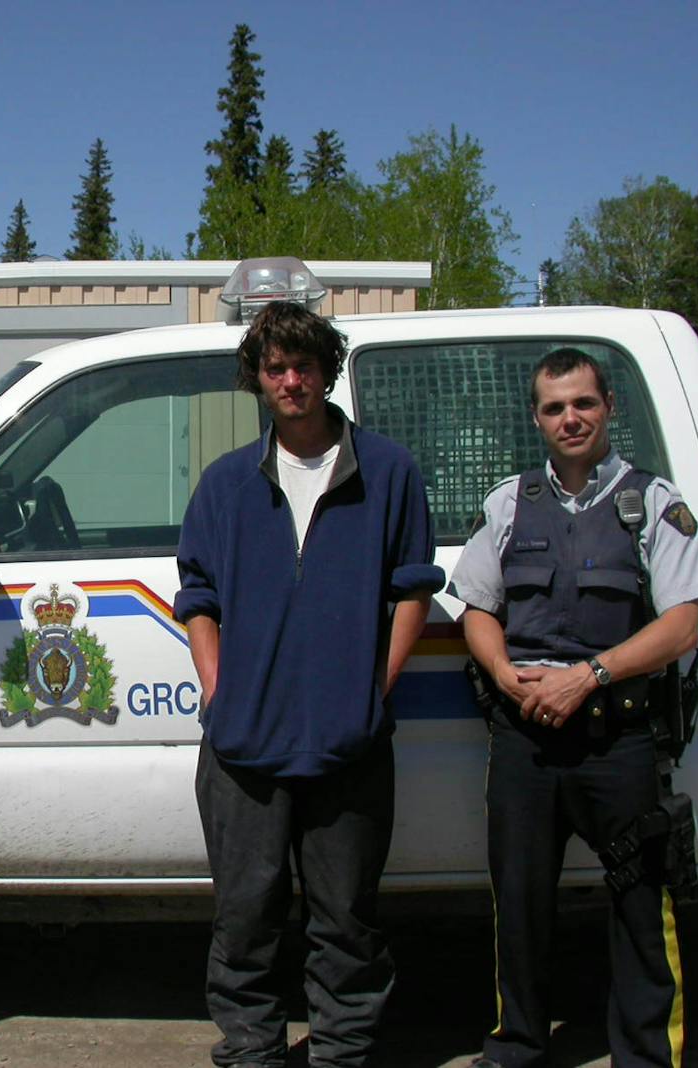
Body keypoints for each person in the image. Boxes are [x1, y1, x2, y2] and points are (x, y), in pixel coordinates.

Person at [175, 300, 442, 1068]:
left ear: (328, 369)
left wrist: (372, 689)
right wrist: (220, 688)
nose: (291, 380)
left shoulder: (388, 472)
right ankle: (252, 1050)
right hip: (243, 749)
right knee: (245, 916)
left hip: (347, 743)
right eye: (275, 368)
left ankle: (342, 1052)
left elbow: (413, 588)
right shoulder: (226, 484)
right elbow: (197, 594)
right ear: (257, 380)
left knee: (347, 919)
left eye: (304, 365)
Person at [449, 347, 698, 1068]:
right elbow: (477, 608)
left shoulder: (653, 504)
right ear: (537, 418)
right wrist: (503, 674)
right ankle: (519, 1045)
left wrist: (587, 676)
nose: (571, 418)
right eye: (555, 407)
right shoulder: (509, 502)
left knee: (639, 906)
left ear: (608, 408)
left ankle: (649, 1054)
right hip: (525, 738)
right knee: (520, 907)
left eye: (583, 403)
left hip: (617, 738)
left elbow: (681, 624)